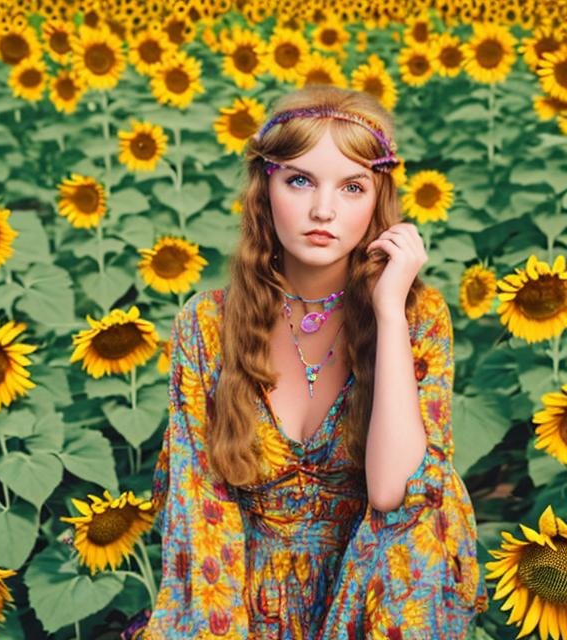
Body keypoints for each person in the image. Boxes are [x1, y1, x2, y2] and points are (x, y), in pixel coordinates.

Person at [122, 85, 489, 640]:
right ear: (265, 186)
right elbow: (199, 520)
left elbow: (398, 496)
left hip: (370, 604)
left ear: (378, 199)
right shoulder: (206, 326)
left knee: (427, 507)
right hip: (239, 609)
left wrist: (388, 312)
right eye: (300, 180)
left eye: (352, 186)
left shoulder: (418, 319)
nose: (324, 210)